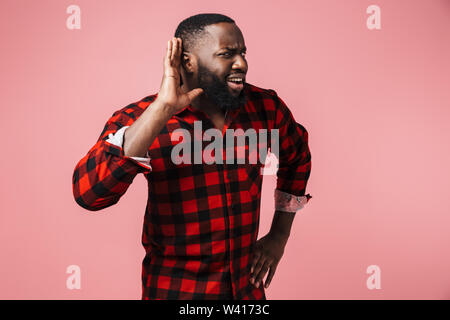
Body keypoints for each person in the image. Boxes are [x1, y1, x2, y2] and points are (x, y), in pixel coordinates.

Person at [72, 13, 312, 300]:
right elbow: (89, 194)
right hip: (176, 293)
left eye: (242, 53)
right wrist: (162, 109)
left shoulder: (265, 107)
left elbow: (297, 157)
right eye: (227, 54)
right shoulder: (142, 119)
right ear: (187, 62)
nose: (242, 64)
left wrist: (279, 237)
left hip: (247, 295)